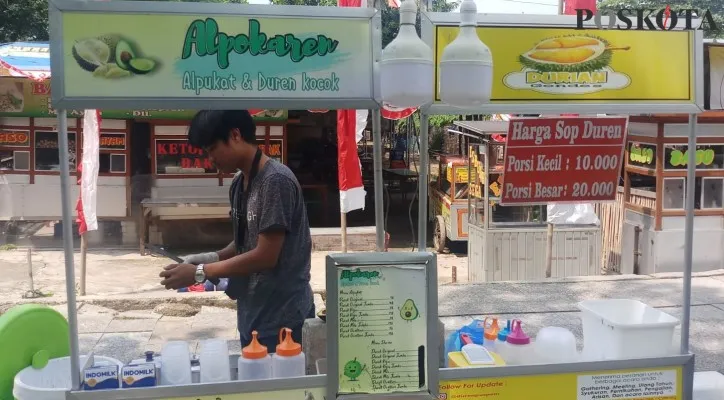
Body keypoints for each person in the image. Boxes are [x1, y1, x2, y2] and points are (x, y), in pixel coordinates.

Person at [159, 109, 315, 350]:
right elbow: (245, 242)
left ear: (235, 135)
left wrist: (200, 272)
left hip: (284, 322)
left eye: (212, 149)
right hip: (252, 316)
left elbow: (265, 255)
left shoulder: (275, 181)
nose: (210, 159)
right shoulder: (238, 184)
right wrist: (208, 258)